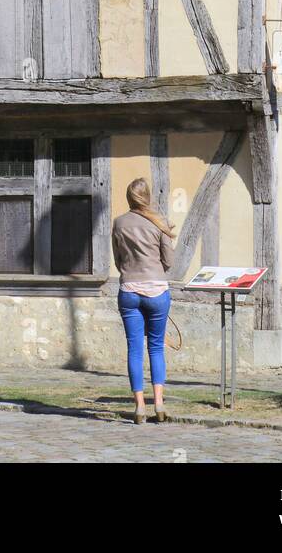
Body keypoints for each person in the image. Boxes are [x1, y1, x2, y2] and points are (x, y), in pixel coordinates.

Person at [111, 177, 175, 423]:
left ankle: (139, 407)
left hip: (129, 289)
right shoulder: (160, 222)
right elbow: (169, 261)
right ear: (148, 197)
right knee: (156, 348)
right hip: (157, 290)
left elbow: (118, 260)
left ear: (129, 198)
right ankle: (158, 404)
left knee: (134, 349)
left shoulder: (119, 223)